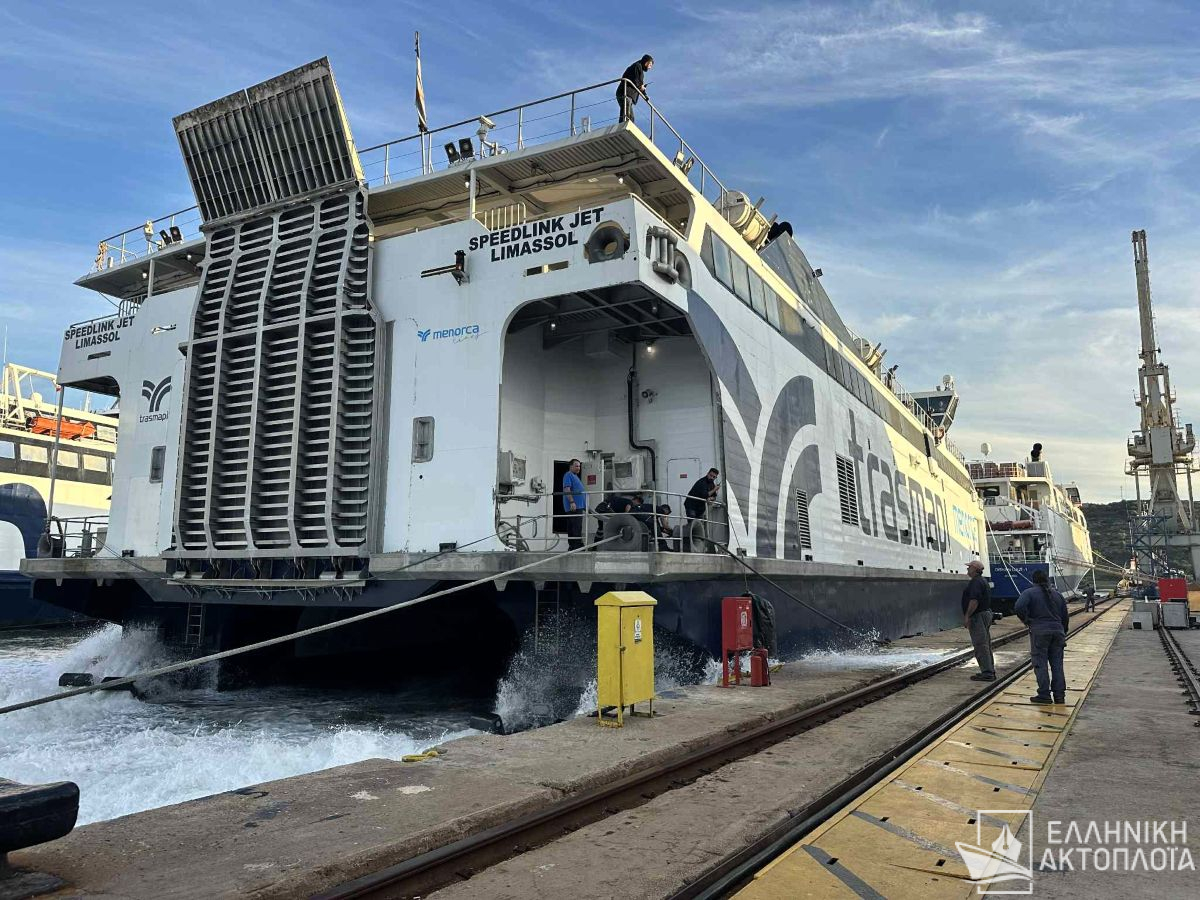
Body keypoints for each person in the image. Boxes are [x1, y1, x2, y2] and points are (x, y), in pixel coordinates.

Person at [1014, 570, 1069, 705]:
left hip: (1039, 632)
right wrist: (1063, 630)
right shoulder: (1057, 595)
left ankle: (1044, 694)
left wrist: (1027, 620)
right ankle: (1059, 696)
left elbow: (1019, 607)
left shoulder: (1029, 593)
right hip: (1058, 632)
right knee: (1057, 665)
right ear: (1047, 580)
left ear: (1033, 580)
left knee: (1040, 663)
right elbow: (1065, 615)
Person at [962, 560, 995, 682]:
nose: (967, 569)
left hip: (978, 616)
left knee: (980, 644)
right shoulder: (982, 581)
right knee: (985, 644)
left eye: (969, 567)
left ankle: (987, 672)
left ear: (975, 569)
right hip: (985, 613)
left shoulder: (975, 582)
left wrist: (967, 616)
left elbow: (974, 600)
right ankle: (989, 670)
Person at [617, 54, 653, 124]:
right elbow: (637, 81)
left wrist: (645, 94)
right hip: (625, 93)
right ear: (646, 62)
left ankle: (623, 126)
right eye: (650, 64)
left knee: (630, 117)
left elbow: (638, 83)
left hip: (627, 94)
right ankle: (622, 126)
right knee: (627, 115)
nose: (650, 67)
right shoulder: (637, 66)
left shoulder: (639, 68)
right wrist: (641, 87)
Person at [562, 459, 586, 550]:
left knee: (576, 527)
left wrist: (585, 506)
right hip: (574, 507)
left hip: (579, 507)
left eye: (579, 466)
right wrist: (572, 502)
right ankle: (576, 547)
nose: (578, 468)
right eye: (576, 466)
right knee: (575, 527)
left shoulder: (575, 476)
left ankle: (574, 546)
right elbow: (566, 489)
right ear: (571, 466)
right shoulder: (568, 475)